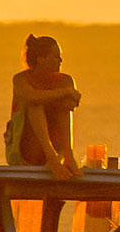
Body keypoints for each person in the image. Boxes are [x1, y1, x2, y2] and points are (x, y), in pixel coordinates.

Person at [5, 34, 84, 180]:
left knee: (62, 105)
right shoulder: (20, 79)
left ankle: (68, 156)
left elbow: (70, 104)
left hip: (56, 149)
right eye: (55, 57)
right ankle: (52, 158)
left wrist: (58, 97)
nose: (60, 61)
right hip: (24, 151)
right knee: (35, 104)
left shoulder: (64, 80)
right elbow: (31, 97)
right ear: (41, 59)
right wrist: (65, 92)